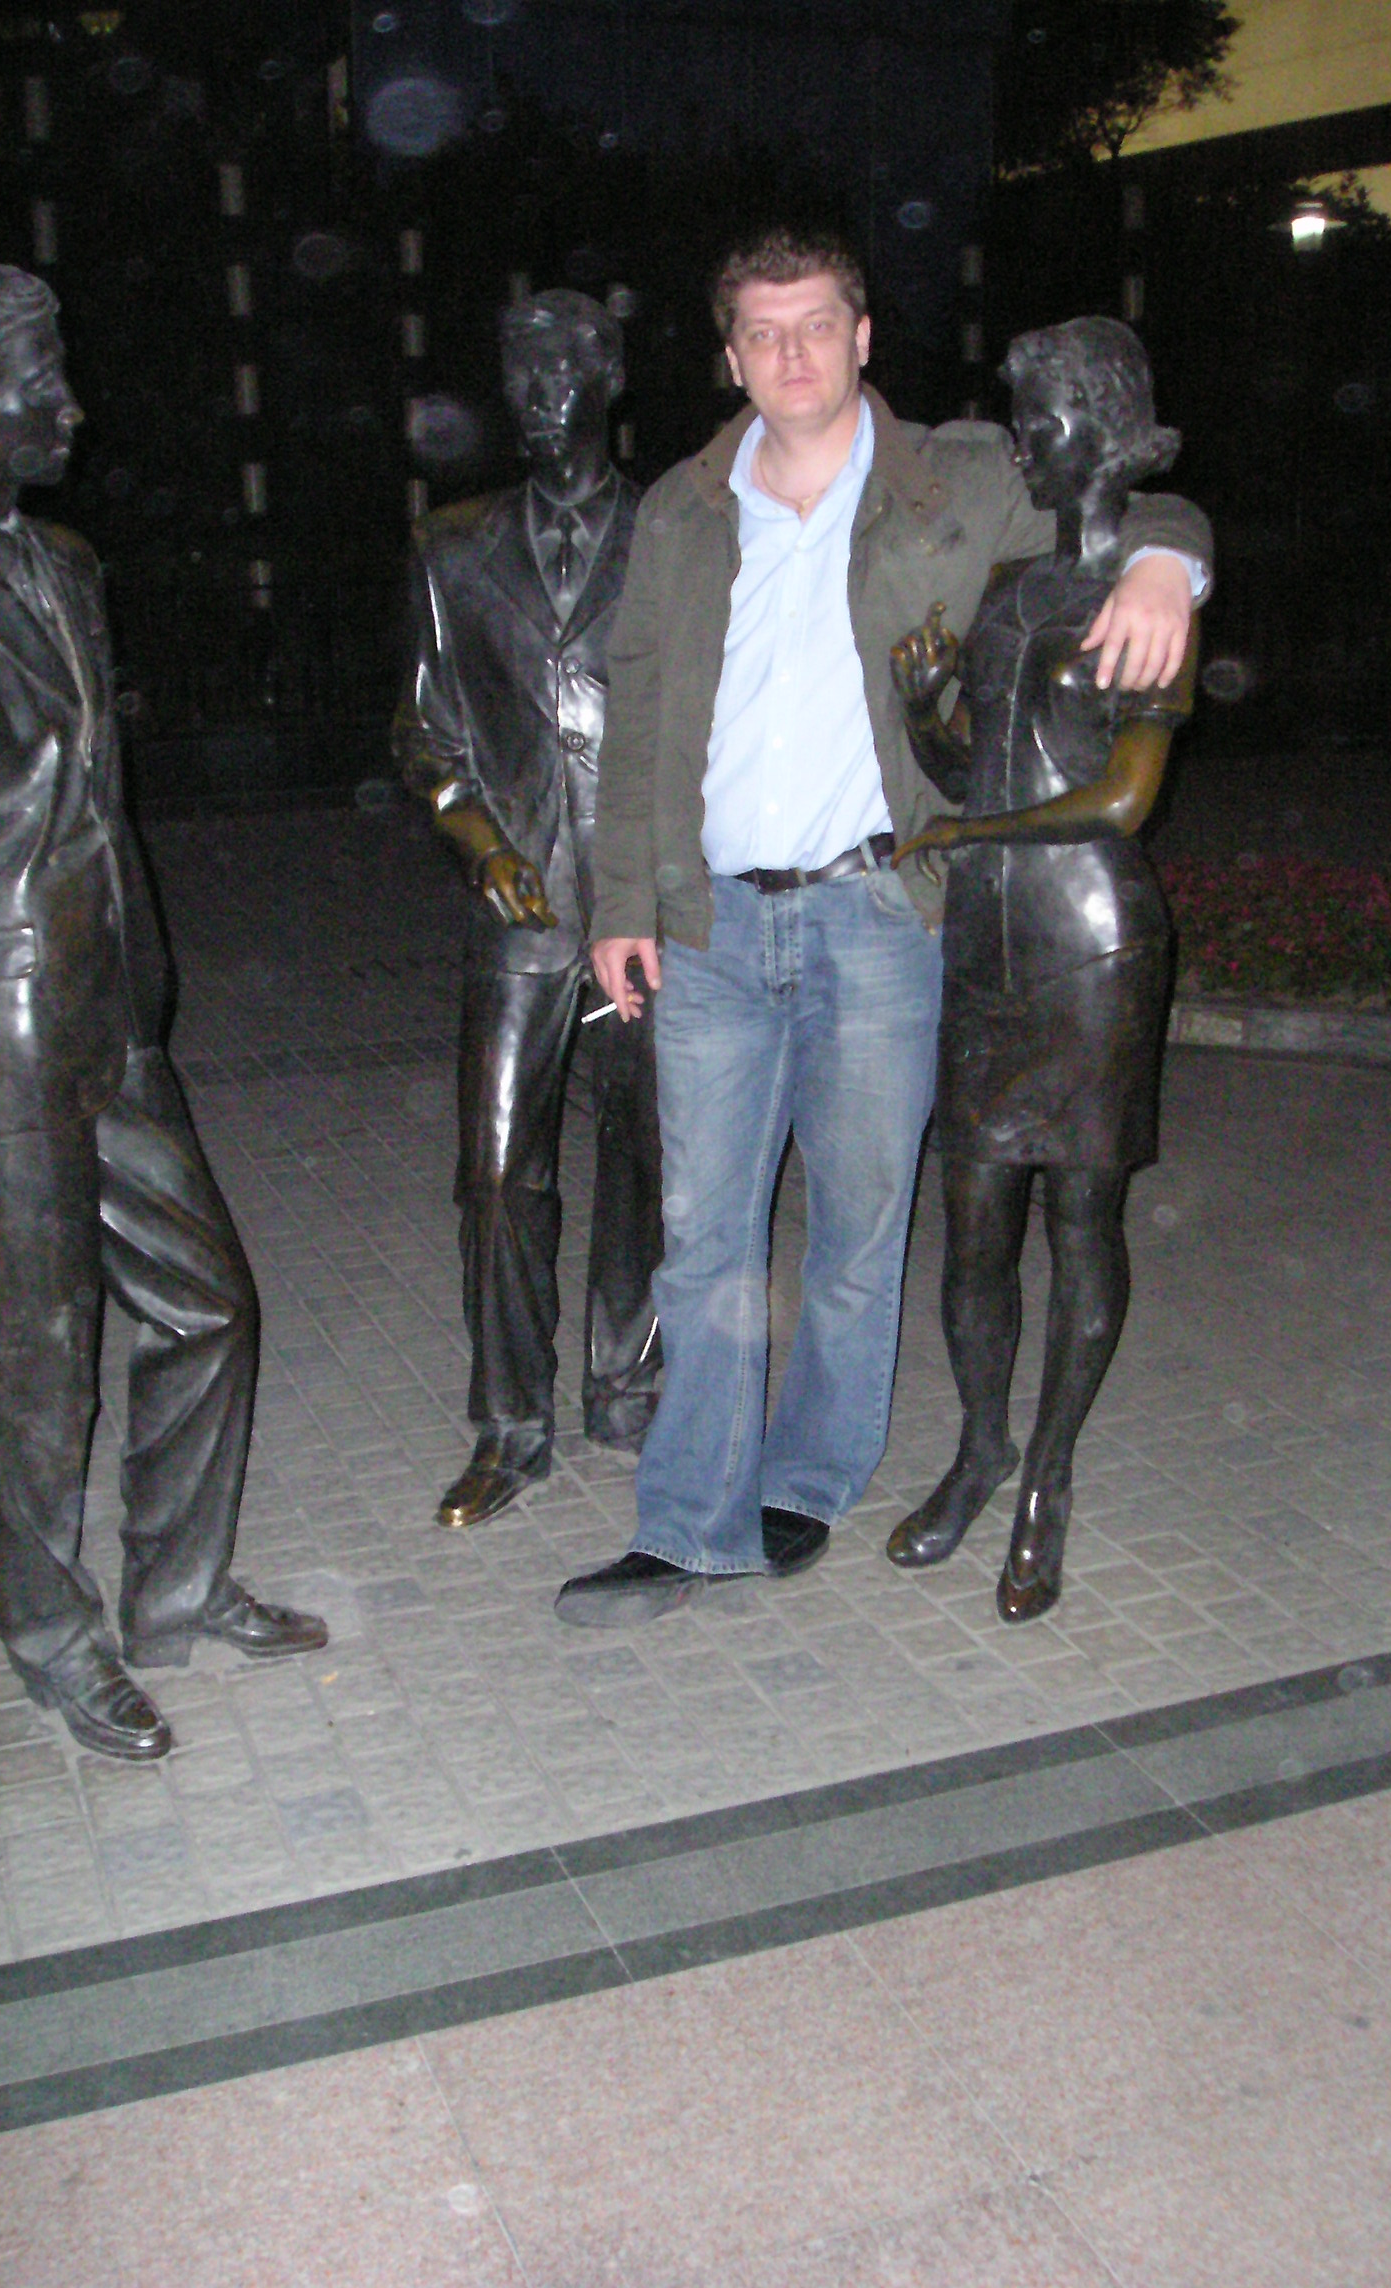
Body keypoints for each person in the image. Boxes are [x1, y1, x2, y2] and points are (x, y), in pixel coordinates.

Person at [554, 226, 1209, 1626]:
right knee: (704, 1236)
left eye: (816, 325)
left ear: (861, 337)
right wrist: (619, 904)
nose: (790, 353)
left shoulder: (962, 475)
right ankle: (688, 1524)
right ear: (730, 356)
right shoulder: (679, 510)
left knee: (860, 1225)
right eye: (761, 332)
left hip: (882, 913)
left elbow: (1125, 494)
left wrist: (1169, 565)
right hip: (712, 919)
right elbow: (636, 716)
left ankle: (808, 1480)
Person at [0, 260, 326, 1761]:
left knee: (211, 1304)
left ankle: (175, 1588)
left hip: (112, 1015)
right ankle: (54, 1639)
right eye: (39, 378)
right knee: (31, 1360)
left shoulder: (63, 563)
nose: (71, 404)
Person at [886, 316, 1197, 1621]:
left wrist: (969, 836)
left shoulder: (1153, 588)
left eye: (1041, 418)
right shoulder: (1013, 584)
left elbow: (1123, 798)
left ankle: (1047, 1480)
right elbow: (982, 770)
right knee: (970, 1231)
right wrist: (926, 717)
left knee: (1080, 1222)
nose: (1022, 441)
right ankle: (981, 1447)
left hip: (1091, 947)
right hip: (987, 943)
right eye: (1017, 417)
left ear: (1106, 425)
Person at [399, 290, 662, 1530]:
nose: (537, 390)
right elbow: (425, 730)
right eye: (518, 369)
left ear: (609, 378)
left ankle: (631, 1385)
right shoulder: (451, 544)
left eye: (561, 367)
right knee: (497, 1173)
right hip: (520, 904)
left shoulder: (678, 532)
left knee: (645, 1157)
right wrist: (478, 841)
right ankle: (509, 1421)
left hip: (647, 897)